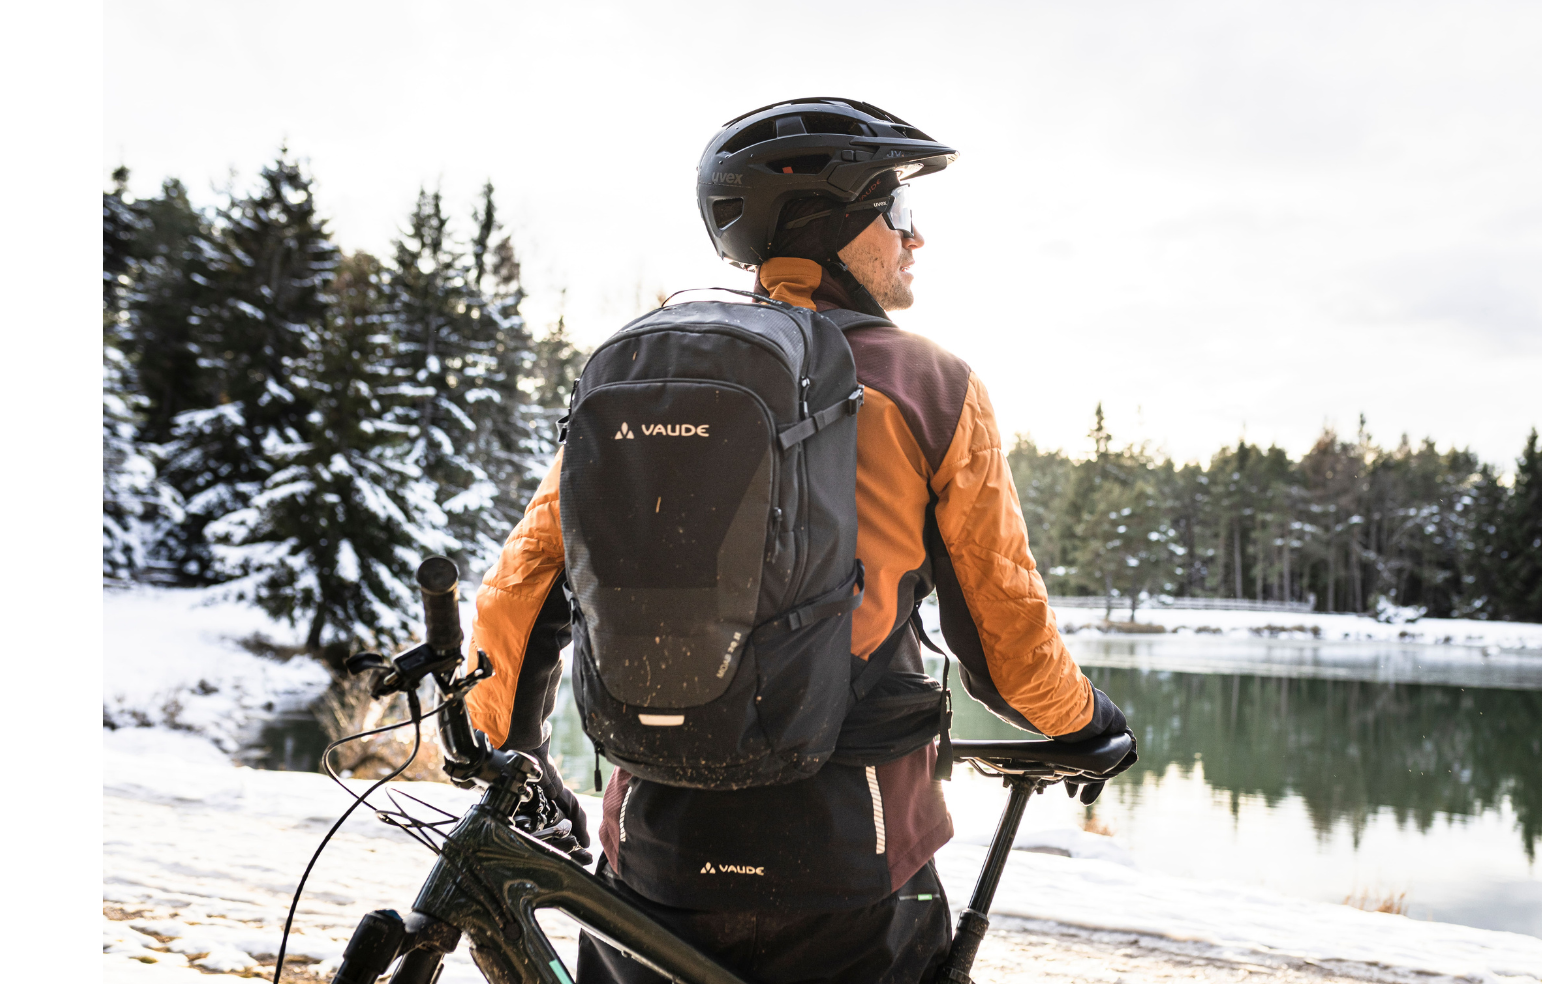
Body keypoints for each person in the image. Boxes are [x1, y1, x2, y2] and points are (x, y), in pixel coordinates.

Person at [462, 97, 1136, 984]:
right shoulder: (930, 385)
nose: (914, 237)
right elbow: (1002, 634)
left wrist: (504, 751)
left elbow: (525, 589)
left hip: (655, 842)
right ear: (837, 224)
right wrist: (1087, 722)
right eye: (896, 210)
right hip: (852, 852)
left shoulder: (652, 378)